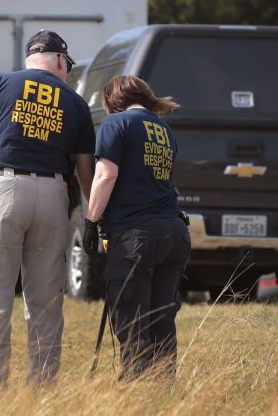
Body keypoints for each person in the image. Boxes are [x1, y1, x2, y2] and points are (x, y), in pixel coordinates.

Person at [0, 30, 95, 388]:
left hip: (3, 191)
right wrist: (94, 219)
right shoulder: (74, 102)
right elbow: (85, 171)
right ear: (60, 60)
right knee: (45, 305)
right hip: (53, 194)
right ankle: (42, 392)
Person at [83, 75, 190, 379]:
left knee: (132, 319)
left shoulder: (116, 124)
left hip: (137, 236)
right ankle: (163, 388)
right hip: (174, 234)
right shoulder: (164, 130)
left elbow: (106, 176)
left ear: (112, 101)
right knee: (162, 319)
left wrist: (91, 221)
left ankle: (135, 392)